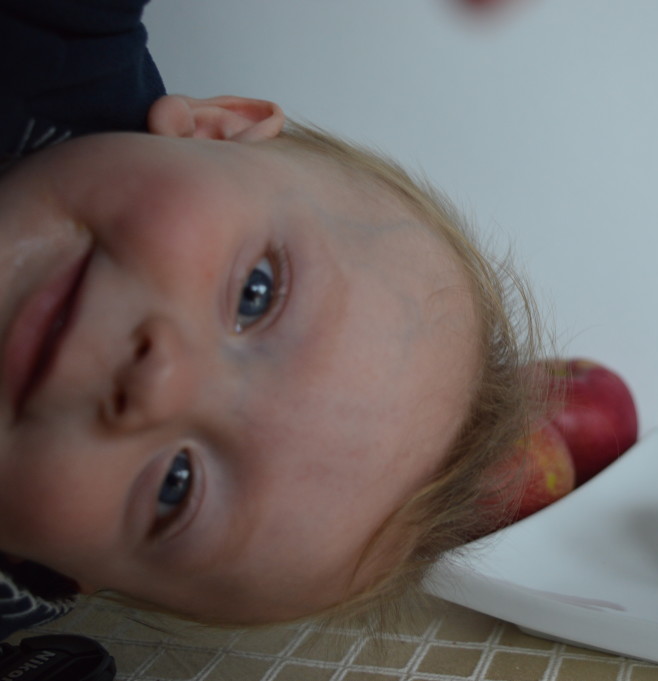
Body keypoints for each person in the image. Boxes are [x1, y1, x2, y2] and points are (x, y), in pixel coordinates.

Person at [0, 0, 543, 638]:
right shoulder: (56, 42)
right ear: (216, 133)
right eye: (254, 294)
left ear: (64, 571)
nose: (161, 378)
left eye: (175, 486)